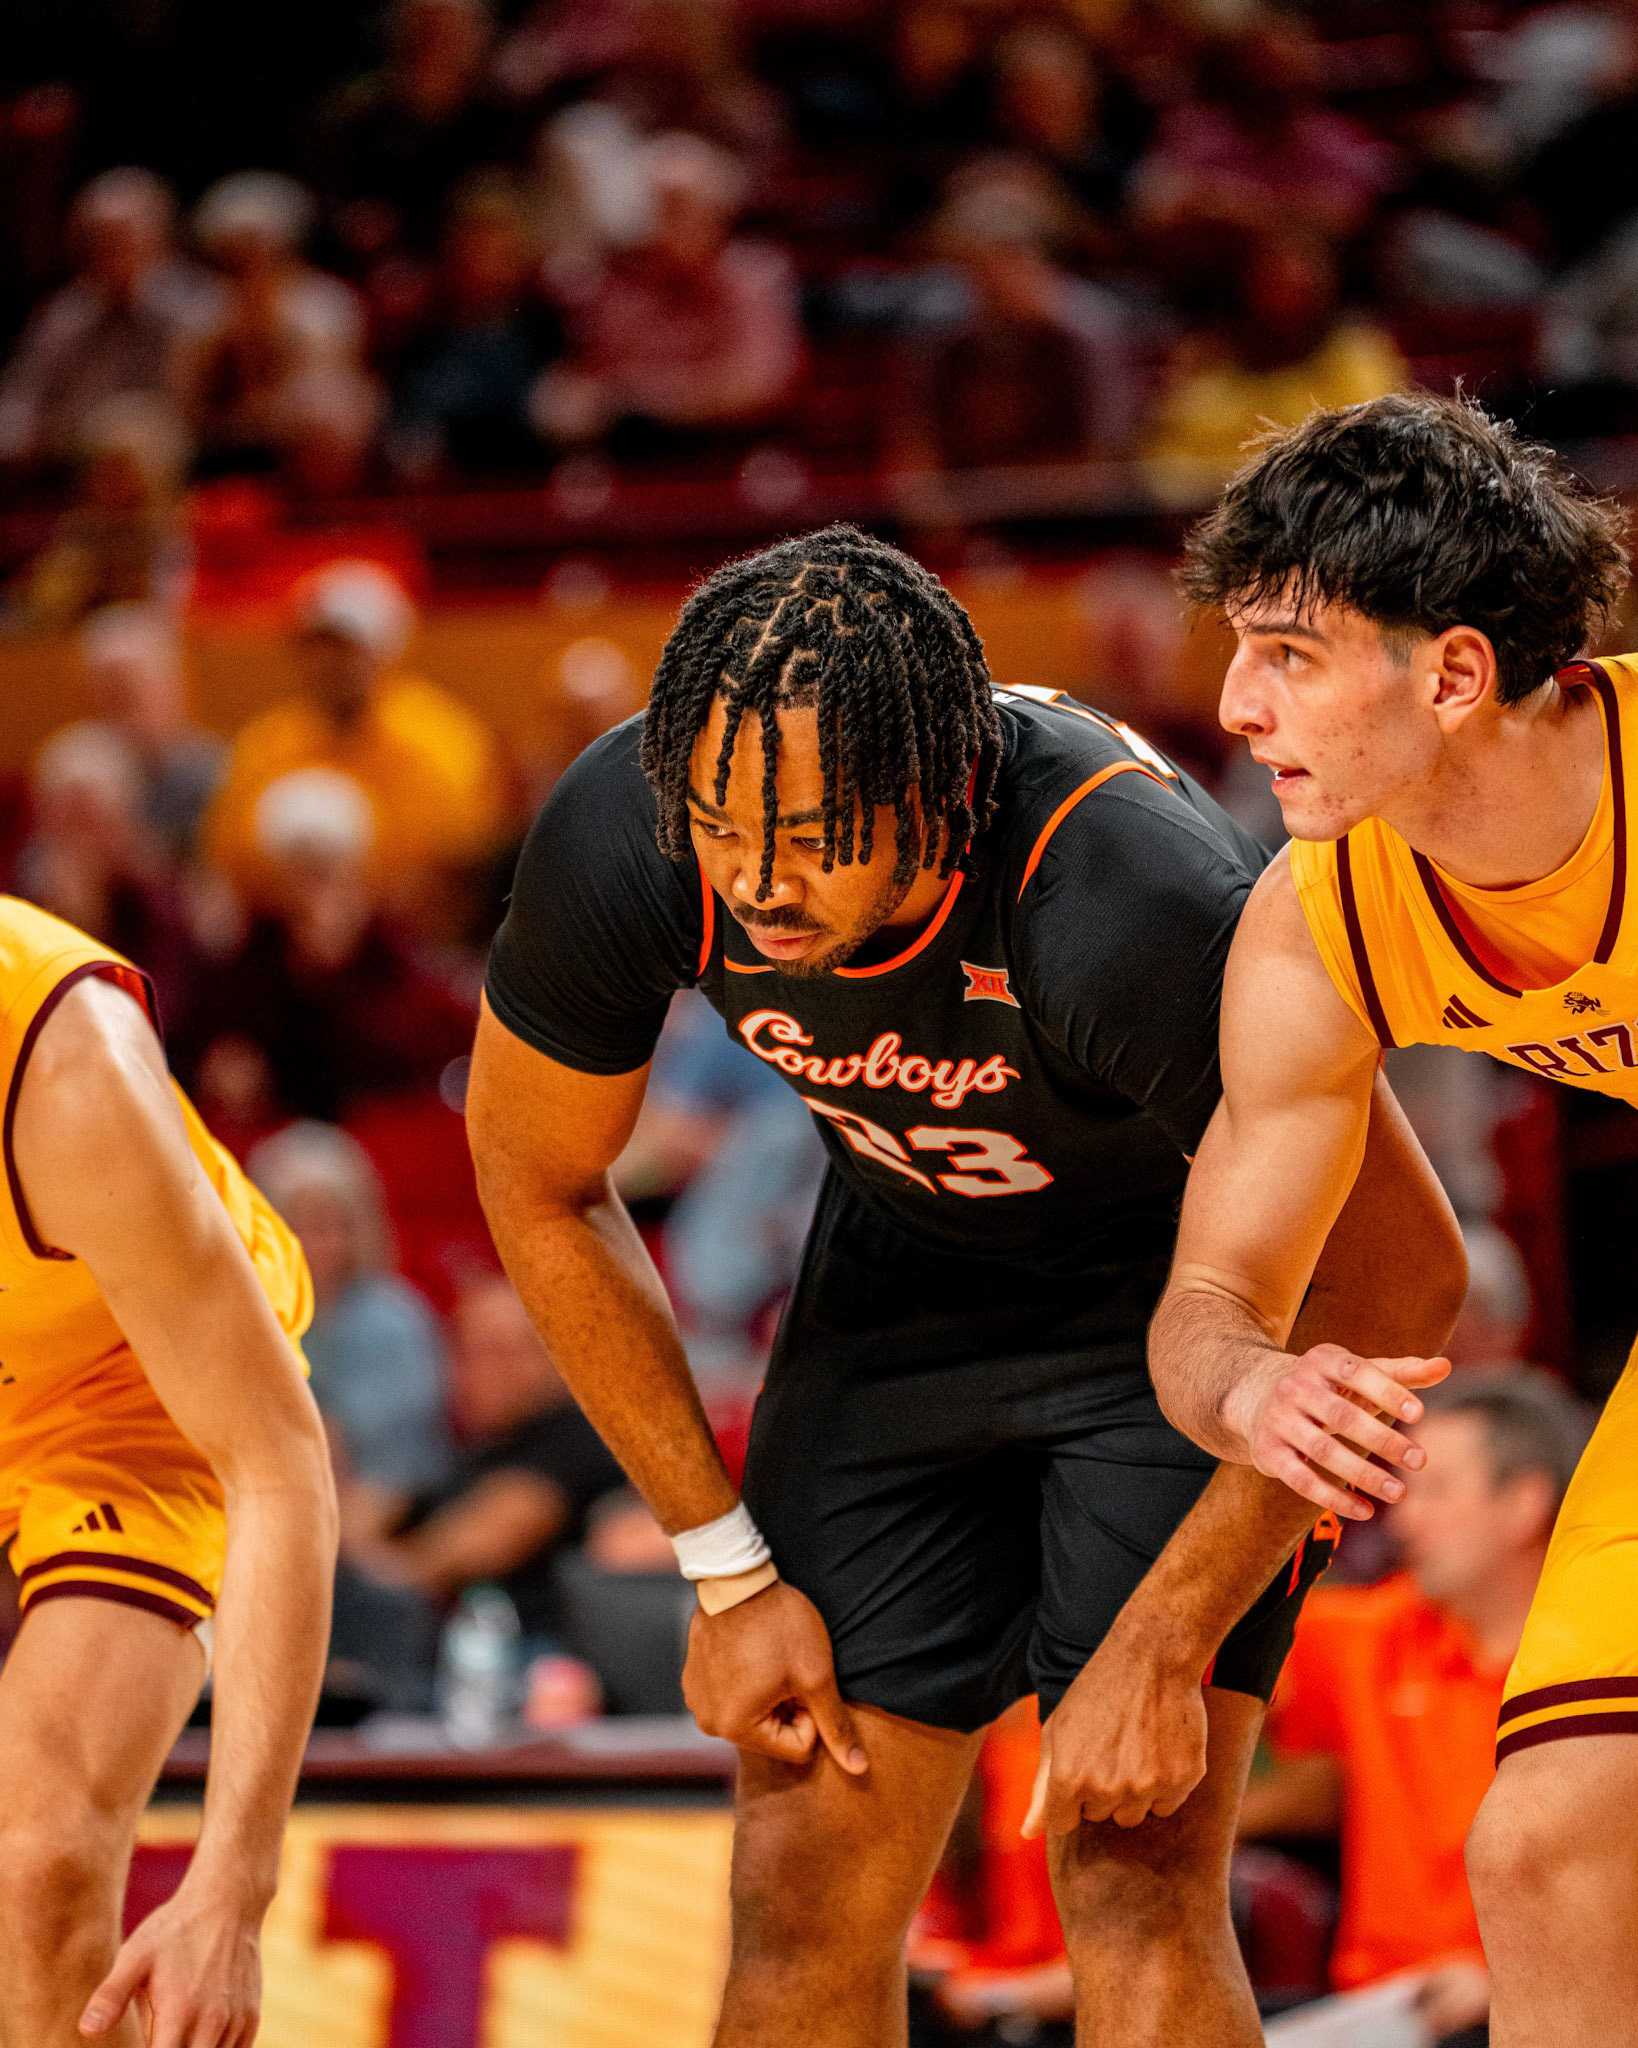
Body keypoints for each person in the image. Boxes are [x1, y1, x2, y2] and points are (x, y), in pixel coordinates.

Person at [465, 523, 1465, 2045]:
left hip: (1184, 1318)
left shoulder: (1131, 897)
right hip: (903, 1293)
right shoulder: (637, 832)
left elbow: (1398, 1280)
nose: (756, 883)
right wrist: (723, 1571)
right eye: (724, 828)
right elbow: (535, 1183)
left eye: (807, 832)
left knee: (1130, 1870)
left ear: (934, 798)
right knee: (799, 1880)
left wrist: (1170, 1633)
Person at [1145, 391, 1637, 2048]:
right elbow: (1208, 1287)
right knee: (1549, 1839)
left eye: (1287, 652)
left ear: (1448, 672)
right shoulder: (1316, 916)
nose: (1232, 701)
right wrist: (1248, 1389)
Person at [0, 895, 335, 2042]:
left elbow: (278, 1463)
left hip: (132, 1379)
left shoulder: (64, 1057)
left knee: (32, 1853)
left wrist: (233, 1888)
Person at [1241, 1369, 1592, 2047]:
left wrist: (1513, 1981)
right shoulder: (1379, 1636)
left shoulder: (1606, 1668)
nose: (1404, 1518)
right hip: (1371, 2014)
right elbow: (1207, 1638)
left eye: (1433, 1490)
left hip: (1535, 2012)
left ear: (1524, 1504)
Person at [201, 558, 507, 925]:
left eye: (346, 647)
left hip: (411, 945)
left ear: (387, 649)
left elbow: (463, 870)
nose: (330, 662)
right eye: (317, 646)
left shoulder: (445, 742)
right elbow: (225, 860)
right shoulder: (267, 742)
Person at [340, 1272, 630, 1643]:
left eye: (500, 1353)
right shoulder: (484, 1446)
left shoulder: (577, 1433)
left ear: (556, 1358)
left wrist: (381, 1569)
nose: (479, 1372)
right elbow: (375, 1505)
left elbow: (499, 1531)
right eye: (466, 1352)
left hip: (542, 1659)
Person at [248, 1120, 453, 1499]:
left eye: (330, 1225)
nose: (318, 1244)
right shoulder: (249, 1322)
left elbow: (402, 1446)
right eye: (300, 1225)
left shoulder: (399, 1318)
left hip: (395, 1499)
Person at [0, 168, 215, 472]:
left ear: (158, 240)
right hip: (69, 473)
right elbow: (20, 402)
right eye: (91, 243)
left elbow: (200, 417)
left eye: (116, 242)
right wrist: (21, 437)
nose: (102, 255)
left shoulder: (199, 311)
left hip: (174, 477)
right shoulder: (65, 314)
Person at [76, 604, 226, 860]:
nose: (121, 712)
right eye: (108, 695)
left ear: (175, 687)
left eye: (130, 693)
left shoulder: (215, 777)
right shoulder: (75, 777)